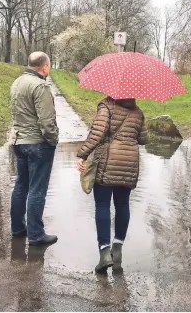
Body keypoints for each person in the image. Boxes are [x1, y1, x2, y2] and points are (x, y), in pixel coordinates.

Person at [77, 97, 148, 273]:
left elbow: (96, 134)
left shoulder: (106, 107)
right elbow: (144, 139)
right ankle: (118, 247)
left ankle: (104, 253)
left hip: (107, 162)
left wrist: (83, 154)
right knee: (122, 204)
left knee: (102, 205)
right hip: (129, 163)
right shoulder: (138, 112)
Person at [9, 51, 59, 246]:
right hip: (37, 144)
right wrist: (53, 140)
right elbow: (47, 121)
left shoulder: (17, 83)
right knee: (37, 189)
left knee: (21, 185)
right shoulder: (40, 86)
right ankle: (36, 235)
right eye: (50, 66)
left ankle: (17, 228)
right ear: (44, 66)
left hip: (19, 142)